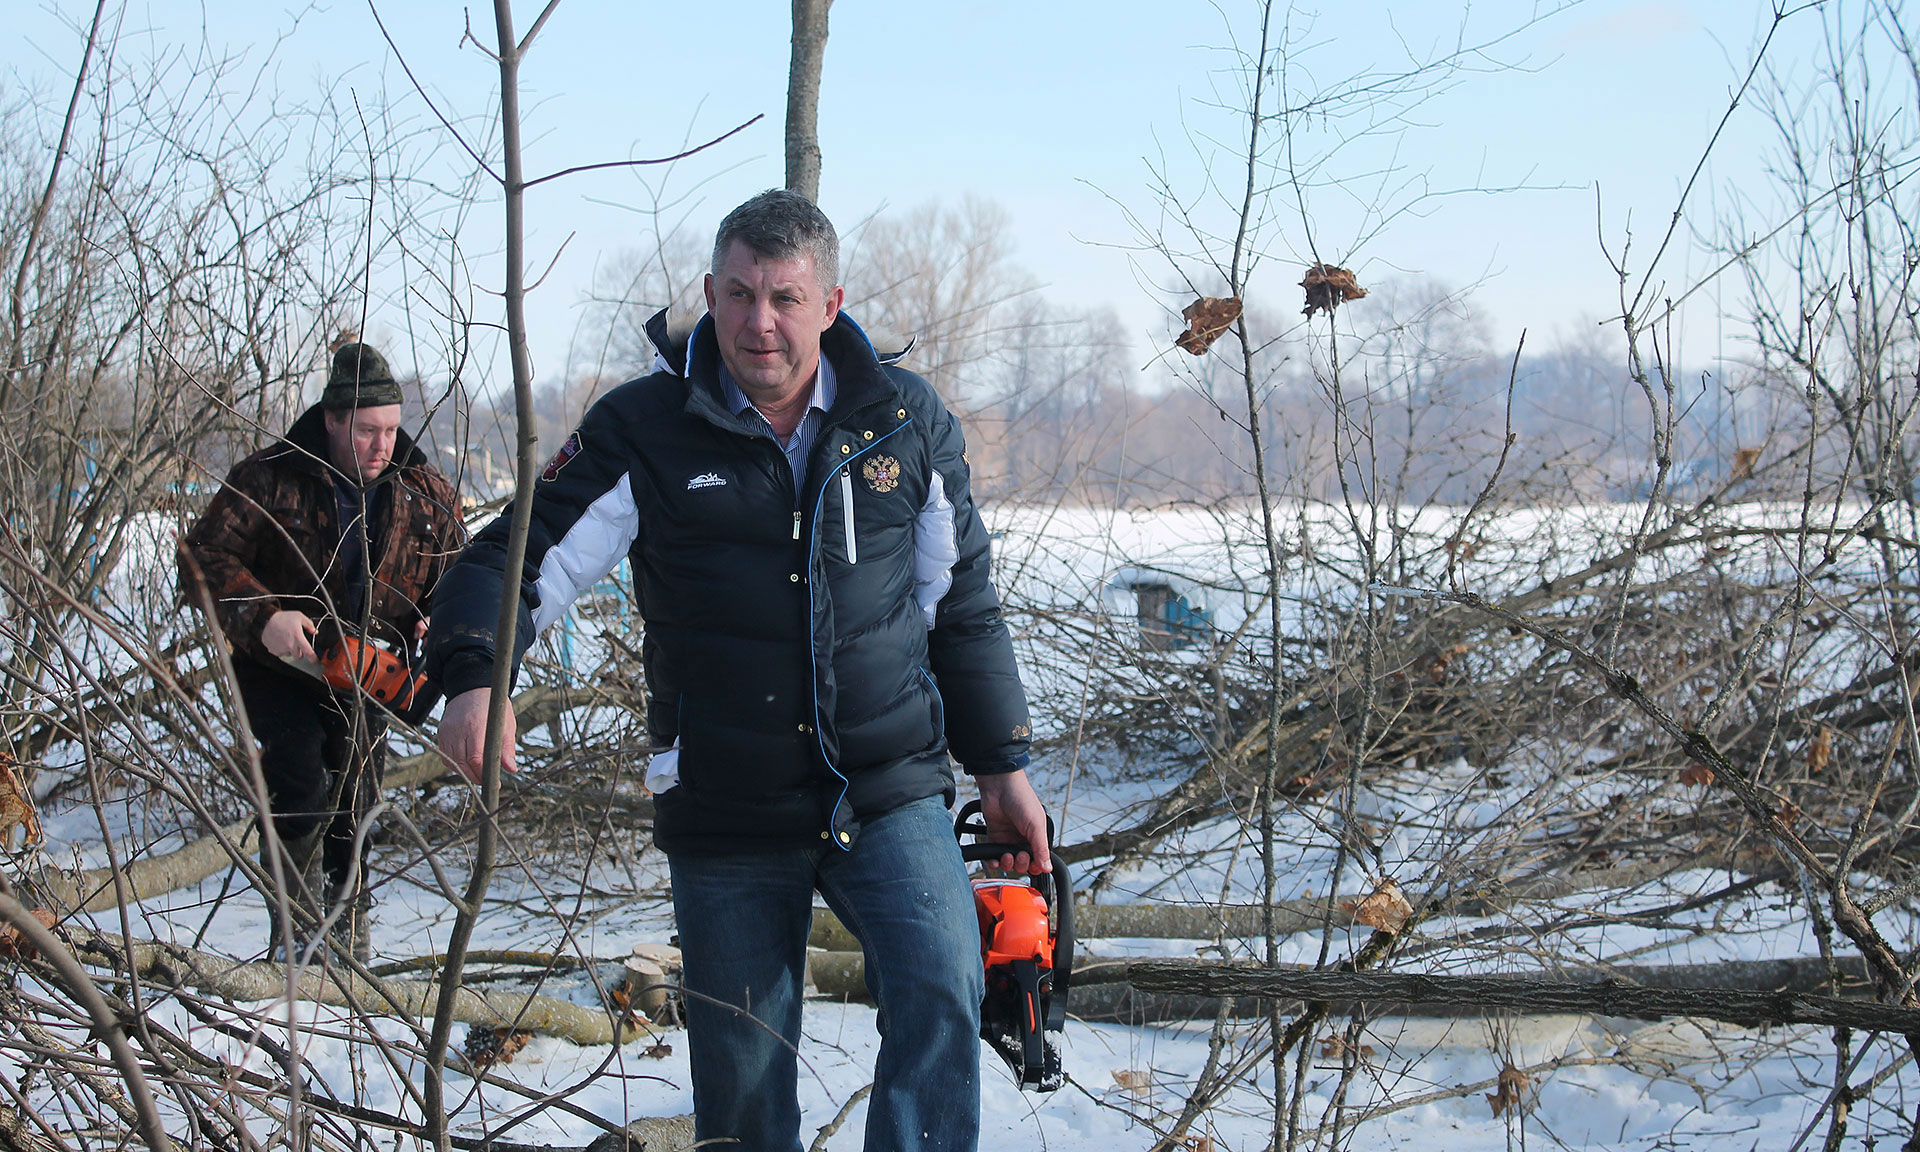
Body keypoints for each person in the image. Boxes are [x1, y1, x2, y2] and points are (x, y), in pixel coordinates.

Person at [426, 189, 1049, 1152]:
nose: (760, 322)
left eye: (786, 298)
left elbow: (961, 603)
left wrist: (1001, 764)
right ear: (710, 294)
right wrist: (478, 675)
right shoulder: (647, 427)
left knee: (942, 982)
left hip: (886, 784)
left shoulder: (903, 423)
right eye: (739, 294)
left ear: (829, 305)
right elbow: (515, 560)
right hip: (726, 801)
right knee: (745, 1076)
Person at [181, 342, 466, 960]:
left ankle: (349, 937)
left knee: (357, 800)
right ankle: (296, 939)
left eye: (390, 429)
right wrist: (263, 617)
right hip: (279, 666)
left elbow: (460, 575)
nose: (382, 445)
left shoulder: (425, 491)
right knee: (302, 779)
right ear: (333, 419)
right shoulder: (271, 476)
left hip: (368, 672)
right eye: (366, 431)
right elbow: (202, 557)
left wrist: (435, 617)